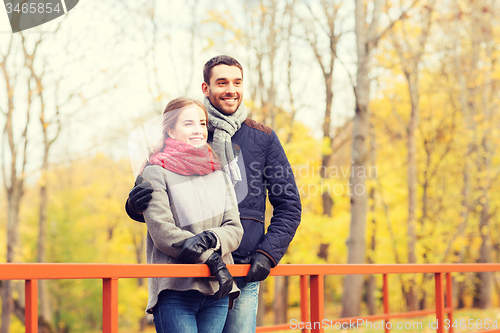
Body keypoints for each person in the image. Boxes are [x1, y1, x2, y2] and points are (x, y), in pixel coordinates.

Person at [127, 56, 302, 333]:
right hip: (190, 271)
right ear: (206, 88)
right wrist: (133, 206)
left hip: (243, 268)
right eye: (222, 82)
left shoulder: (263, 137)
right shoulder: (190, 128)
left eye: (236, 82)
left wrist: (268, 255)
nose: (231, 89)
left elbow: (289, 205)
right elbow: (162, 207)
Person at [139, 97, 243, 333]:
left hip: (217, 287)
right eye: (189, 124)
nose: (198, 130)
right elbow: (163, 233)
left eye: (202, 123)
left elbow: (234, 228)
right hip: (176, 289)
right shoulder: (155, 173)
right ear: (171, 132)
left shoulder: (219, 175)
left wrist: (210, 239)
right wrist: (211, 257)